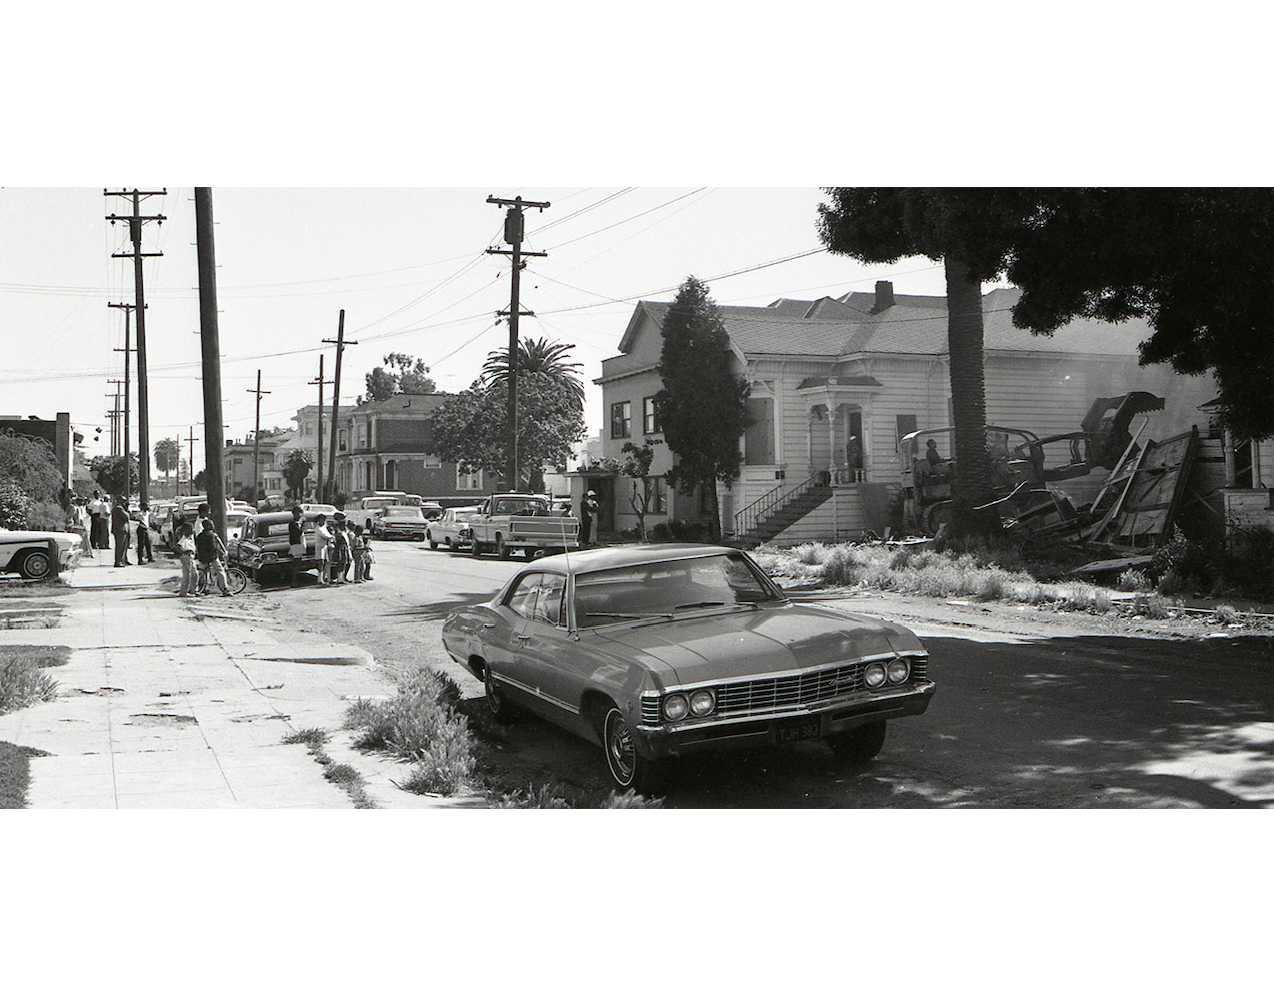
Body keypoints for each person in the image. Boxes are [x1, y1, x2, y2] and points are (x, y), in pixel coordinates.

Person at [195, 519, 231, 597]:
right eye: (212, 524)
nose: (213, 526)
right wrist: (223, 552)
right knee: (220, 571)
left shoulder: (200, 536)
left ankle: (201, 588)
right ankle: (224, 589)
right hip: (212, 556)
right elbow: (216, 545)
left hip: (203, 557)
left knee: (202, 572)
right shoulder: (213, 535)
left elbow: (197, 546)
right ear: (209, 526)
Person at [175, 521, 197, 596]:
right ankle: (183, 592)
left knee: (194, 574)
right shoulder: (184, 539)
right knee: (187, 574)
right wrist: (183, 552)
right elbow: (177, 546)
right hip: (186, 556)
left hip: (191, 556)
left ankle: (193, 590)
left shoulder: (191, 538)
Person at [287, 505, 306, 588]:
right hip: (296, 544)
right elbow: (299, 532)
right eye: (297, 513)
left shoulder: (297, 523)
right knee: (296, 562)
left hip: (300, 543)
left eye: (300, 513)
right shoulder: (292, 523)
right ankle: (294, 581)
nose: (299, 515)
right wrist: (302, 524)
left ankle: (296, 580)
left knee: (298, 562)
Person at [111, 496, 132, 567]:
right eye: (123, 500)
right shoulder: (118, 508)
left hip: (121, 529)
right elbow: (127, 516)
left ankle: (122, 560)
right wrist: (127, 512)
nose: (124, 502)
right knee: (120, 546)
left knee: (123, 546)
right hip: (120, 529)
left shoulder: (119, 508)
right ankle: (118, 561)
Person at [314, 514, 333, 586]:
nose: (323, 521)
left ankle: (324, 578)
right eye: (322, 519)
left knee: (325, 562)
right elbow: (325, 536)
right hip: (319, 547)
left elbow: (328, 534)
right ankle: (319, 579)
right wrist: (331, 536)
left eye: (324, 520)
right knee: (320, 562)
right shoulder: (318, 528)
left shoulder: (324, 527)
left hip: (325, 546)